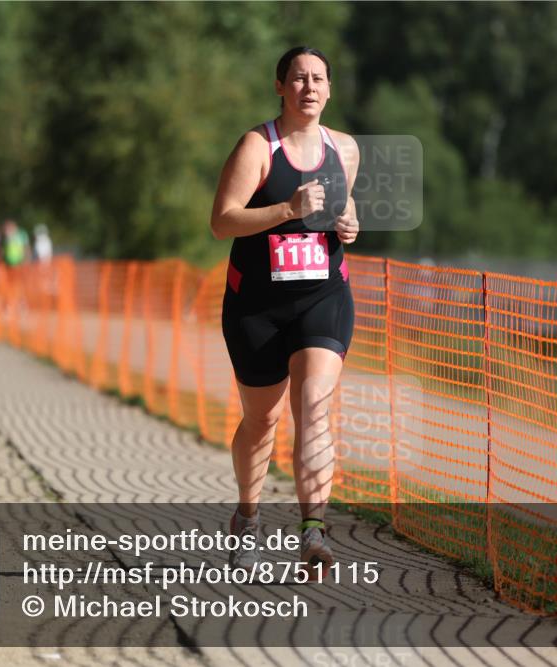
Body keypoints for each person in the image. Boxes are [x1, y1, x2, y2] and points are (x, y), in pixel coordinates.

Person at [210, 46, 360, 577]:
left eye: (319, 78)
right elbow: (222, 222)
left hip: (323, 296)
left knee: (315, 405)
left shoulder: (343, 147)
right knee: (262, 420)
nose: (310, 87)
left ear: (330, 88)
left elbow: (346, 211)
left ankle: (313, 531)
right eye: (299, 78)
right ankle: (248, 515)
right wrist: (287, 210)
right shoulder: (257, 146)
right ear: (280, 86)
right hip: (257, 307)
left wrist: (349, 226)